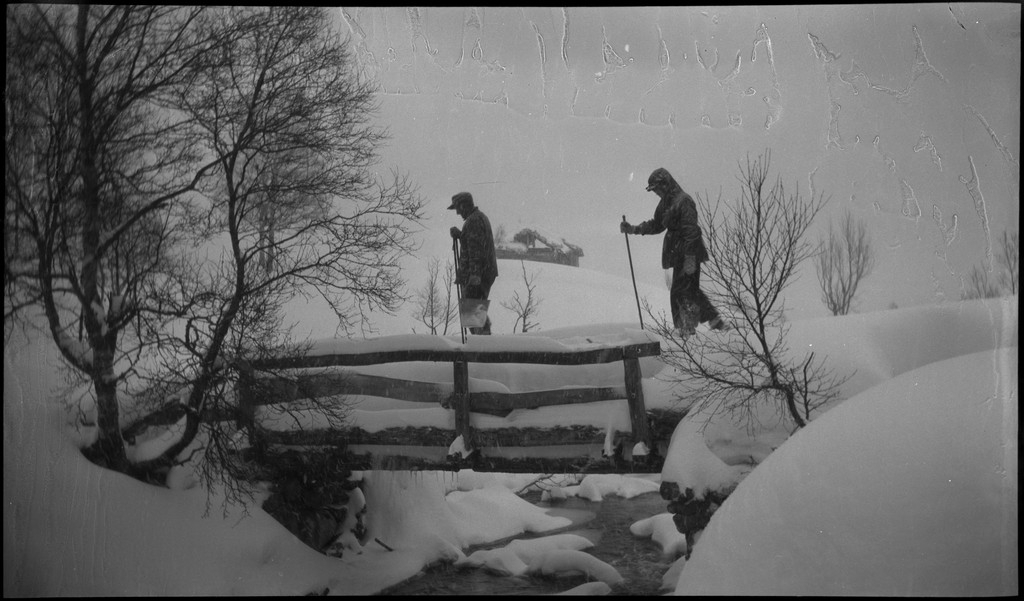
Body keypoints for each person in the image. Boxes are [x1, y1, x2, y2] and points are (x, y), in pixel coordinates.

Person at [620, 168, 729, 336]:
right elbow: (656, 225)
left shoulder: (683, 201)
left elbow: (691, 231)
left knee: (682, 290)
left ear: (665, 184)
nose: (656, 193)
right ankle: (709, 322)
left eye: (656, 189)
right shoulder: (665, 203)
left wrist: (690, 258)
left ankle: (686, 328)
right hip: (678, 253)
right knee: (687, 290)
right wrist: (633, 229)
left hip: (689, 252)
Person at [449, 191, 498, 335]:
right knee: (474, 312)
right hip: (484, 272)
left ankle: (483, 344)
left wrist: (475, 275)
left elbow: (475, 250)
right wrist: (461, 235)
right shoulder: (478, 218)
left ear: (463, 206)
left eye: (457, 208)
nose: (457, 212)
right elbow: (474, 242)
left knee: (473, 312)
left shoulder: (473, 221)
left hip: (477, 275)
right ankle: (483, 341)